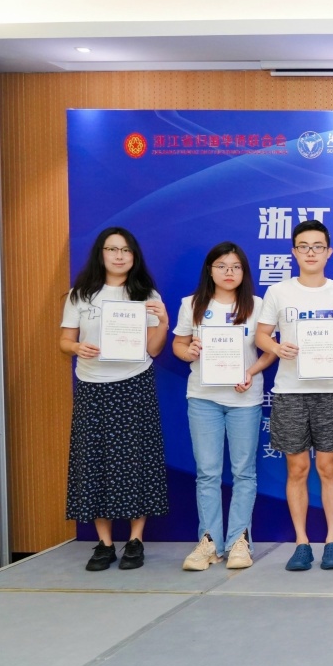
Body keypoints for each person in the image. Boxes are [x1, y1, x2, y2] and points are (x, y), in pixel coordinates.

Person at [255, 220, 333, 572]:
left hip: (330, 391)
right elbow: (261, 336)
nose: (311, 252)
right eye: (304, 246)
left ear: (329, 252)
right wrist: (276, 347)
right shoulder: (278, 292)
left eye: (318, 246)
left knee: (328, 467)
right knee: (297, 468)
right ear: (294, 252)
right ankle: (301, 542)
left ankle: (332, 540)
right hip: (290, 392)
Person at [59, 226, 169, 571]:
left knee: (136, 460)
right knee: (94, 461)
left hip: (134, 383)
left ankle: (135, 540)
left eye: (126, 250)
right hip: (92, 386)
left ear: (134, 256)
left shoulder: (145, 294)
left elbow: (154, 349)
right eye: (112, 249)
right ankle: (104, 543)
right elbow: (64, 341)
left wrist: (163, 322)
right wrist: (77, 347)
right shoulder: (80, 295)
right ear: (101, 253)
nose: (119, 256)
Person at [173, 242, 275, 572]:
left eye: (235, 266)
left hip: (244, 398)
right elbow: (179, 344)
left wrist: (251, 372)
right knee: (207, 472)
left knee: (244, 472)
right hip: (203, 397)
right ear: (210, 270)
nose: (229, 272)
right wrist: (188, 352)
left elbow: (269, 350)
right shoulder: (192, 304)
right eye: (221, 266)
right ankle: (209, 542)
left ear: (244, 271)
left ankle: (239, 541)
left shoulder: (257, 305)